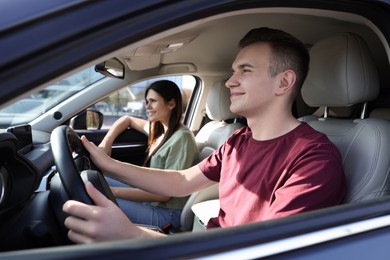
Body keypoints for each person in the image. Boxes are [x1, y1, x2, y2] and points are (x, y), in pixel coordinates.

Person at [63, 27, 346, 243]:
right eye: (233, 71)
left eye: (244, 71)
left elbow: (263, 251)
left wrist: (133, 237)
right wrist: (108, 164)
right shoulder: (239, 141)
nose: (230, 81)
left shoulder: (314, 159)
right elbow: (182, 180)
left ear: (283, 82)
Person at [99, 80, 199, 229]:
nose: (147, 106)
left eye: (153, 101)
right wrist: (106, 143)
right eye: (147, 101)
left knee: (101, 200)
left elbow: (163, 195)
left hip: (167, 212)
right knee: (98, 179)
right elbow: (127, 120)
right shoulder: (159, 130)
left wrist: (113, 192)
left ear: (171, 104)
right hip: (152, 200)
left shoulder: (182, 138)